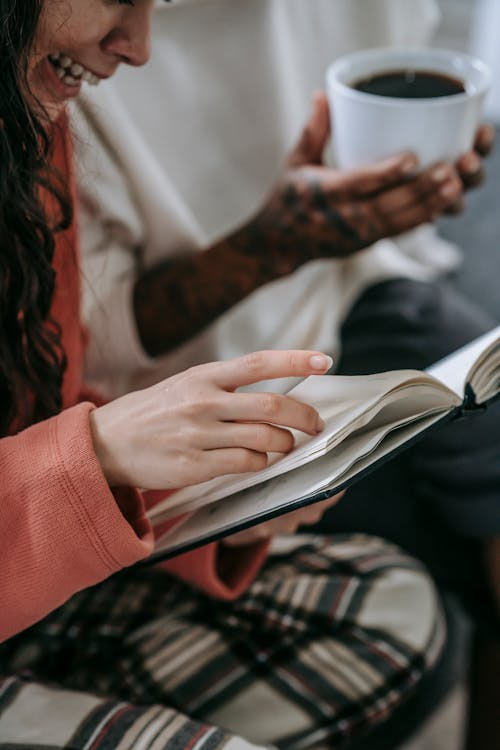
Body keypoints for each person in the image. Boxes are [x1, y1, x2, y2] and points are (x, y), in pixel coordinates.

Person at [0, 2, 446, 749]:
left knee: (389, 600)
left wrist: (216, 493)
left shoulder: (32, 126)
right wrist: (100, 453)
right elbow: (93, 405)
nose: (137, 46)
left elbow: (54, 395)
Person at [73, 0, 500, 627]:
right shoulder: (75, 54)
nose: (136, 42)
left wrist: (423, 176)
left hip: (347, 286)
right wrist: (275, 245)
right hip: (179, 381)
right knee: (424, 561)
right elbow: (95, 344)